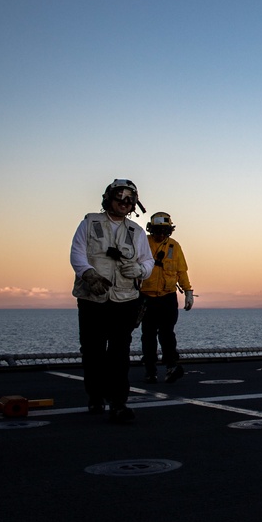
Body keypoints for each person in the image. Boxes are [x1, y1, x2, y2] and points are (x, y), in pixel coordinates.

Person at [70, 179, 154, 423]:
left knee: (119, 352)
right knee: (92, 351)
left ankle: (119, 403)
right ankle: (95, 396)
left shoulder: (136, 232)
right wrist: (88, 274)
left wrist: (140, 271)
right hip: (92, 298)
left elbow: (147, 261)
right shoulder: (89, 223)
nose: (124, 202)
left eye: (129, 199)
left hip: (125, 299)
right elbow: (77, 253)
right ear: (109, 198)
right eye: (120, 197)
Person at [140, 211, 194, 384]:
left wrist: (188, 292)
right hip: (146, 297)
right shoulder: (143, 243)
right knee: (148, 335)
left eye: (164, 231)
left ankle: (171, 366)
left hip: (167, 297)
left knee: (167, 334)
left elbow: (181, 271)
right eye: (157, 230)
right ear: (151, 229)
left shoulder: (174, 246)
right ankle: (150, 370)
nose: (160, 234)